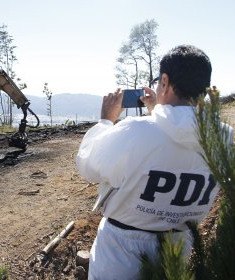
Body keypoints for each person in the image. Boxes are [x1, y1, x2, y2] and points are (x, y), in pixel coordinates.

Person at [76, 45, 233, 280]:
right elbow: (173, 136)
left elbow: (88, 166)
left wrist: (106, 122)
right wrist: (156, 112)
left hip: (119, 256)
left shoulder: (135, 130)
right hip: (178, 254)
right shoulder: (226, 138)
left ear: (166, 81)